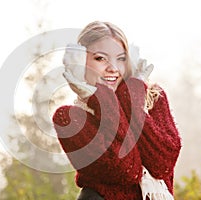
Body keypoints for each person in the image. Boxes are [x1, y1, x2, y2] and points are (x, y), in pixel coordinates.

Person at [52, 21, 181, 200]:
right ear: (80, 61)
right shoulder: (70, 119)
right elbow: (127, 169)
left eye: (121, 58)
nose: (113, 68)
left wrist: (132, 95)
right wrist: (102, 99)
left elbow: (162, 163)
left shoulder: (153, 98)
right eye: (100, 58)